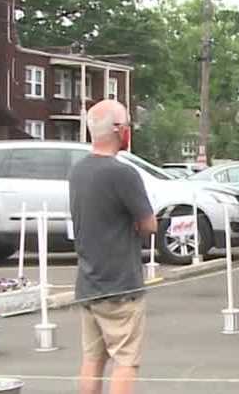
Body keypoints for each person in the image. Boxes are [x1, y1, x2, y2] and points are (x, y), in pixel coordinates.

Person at [70, 100, 157, 394]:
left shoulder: (78, 170)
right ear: (119, 130)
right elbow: (149, 224)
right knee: (126, 360)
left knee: (93, 359)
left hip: (89, 281)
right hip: (120, 283)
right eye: (128, 124)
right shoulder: (123, 173)